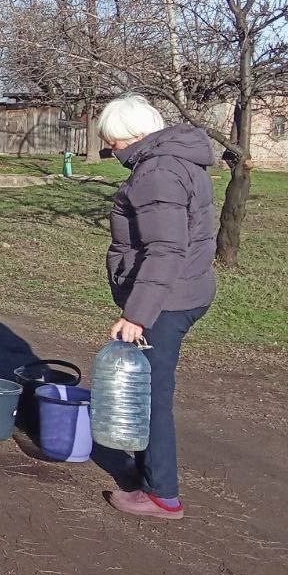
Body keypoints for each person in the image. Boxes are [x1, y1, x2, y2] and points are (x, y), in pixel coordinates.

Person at [98, 93, 216, 521]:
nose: (111, 152)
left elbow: (165, 249)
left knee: (152, 395)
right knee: (152, 389)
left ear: (131, 136)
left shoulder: (156, 172)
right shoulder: (182, 161)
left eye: (111, 143)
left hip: (167, 301)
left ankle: (161, 494)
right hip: (186, 292)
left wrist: (136, 315)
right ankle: (150, 473)